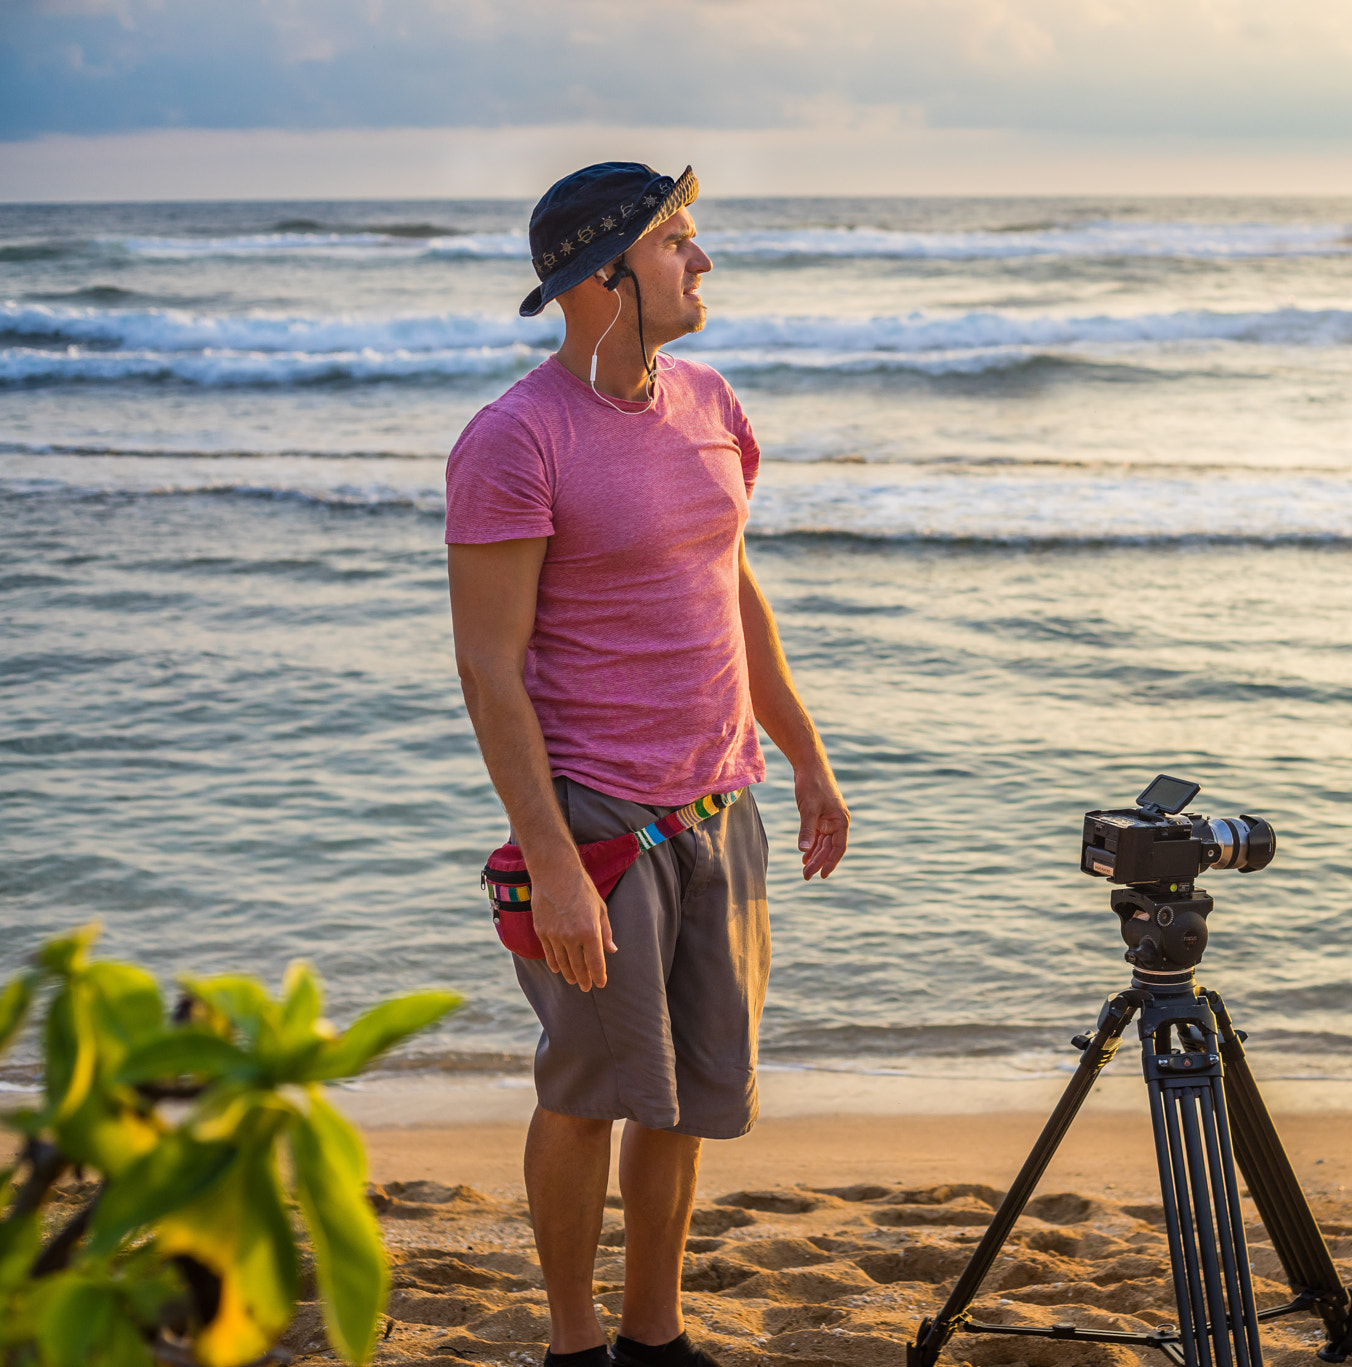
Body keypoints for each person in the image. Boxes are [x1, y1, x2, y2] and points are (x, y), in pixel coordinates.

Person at [445, 161, 849, 1367]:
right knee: (584, 1092)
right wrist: (557, 867)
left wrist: (808, 761)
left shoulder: (714, 401)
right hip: (600, 825)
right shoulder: (513, 442)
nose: (703, 260)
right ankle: (574, 1344)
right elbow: (489, 671)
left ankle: (652, 1334)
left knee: (686, 1098)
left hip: (723, 806)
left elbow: (732, 594)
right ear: (601, 276)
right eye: (678, 240)